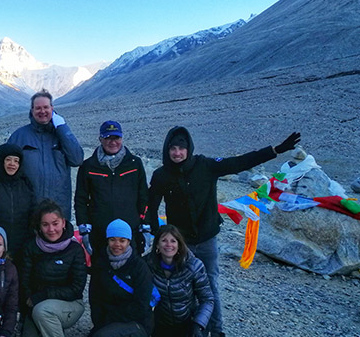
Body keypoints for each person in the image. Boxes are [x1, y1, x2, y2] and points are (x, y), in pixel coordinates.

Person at [147, 126, 301, 337]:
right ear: (167, 149)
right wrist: (157, 238)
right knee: (181, 288)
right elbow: (151, 206)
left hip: (207, 238)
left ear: (188, 148)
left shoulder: (206, 165)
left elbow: (238, 163)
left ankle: (217, 332)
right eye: (173, 148)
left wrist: (274, 150)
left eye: (181, 148)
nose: (177, 153)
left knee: (210, 287)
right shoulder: (161, 175)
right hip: (180, 243)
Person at [74, 120, 149, 258]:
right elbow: (81, 199)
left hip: (130, 231)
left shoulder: (134, 163)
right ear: (100, 139)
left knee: (132, 274)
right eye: (108, 138)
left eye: (116, 138)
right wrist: (84, 229)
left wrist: (145, 225)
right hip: (100, 232)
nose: (112, 142)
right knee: (101, 274)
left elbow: (144, 195)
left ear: (122, 138)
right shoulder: (88, 166)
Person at [7, 89, 83, 220]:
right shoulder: (19, 136)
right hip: (28, 210)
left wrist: (63, 128)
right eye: (38, 108)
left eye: (46, 107)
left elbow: (77, 159)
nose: (42, 111)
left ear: (52, 109)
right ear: (32, 110)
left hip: (58, 212)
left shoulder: (62, 135)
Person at [21, 200, 87, 337]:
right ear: (39, 226)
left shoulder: (75, 249)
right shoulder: (31, 247)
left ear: (63, 223)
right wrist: (28, 299)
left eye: (55, 223)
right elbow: (25, 280)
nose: (51, 230)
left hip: (69, 304)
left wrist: (43, 295)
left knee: (43, 312)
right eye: (45, 225)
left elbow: (76, 288)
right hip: (36, 304)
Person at [88, 219, 154, 337]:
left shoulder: (139, 267)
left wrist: (110, 319)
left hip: (136, 321)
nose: (117, 244)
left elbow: (141, 305)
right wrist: (99, 321)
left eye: (122, 240)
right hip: (106, 321)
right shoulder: (101, 263)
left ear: (129, 241)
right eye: (112, 239)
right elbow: (94, 297)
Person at [148, 224, 213, 337]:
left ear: (179, 245)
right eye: (164, 240)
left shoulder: (194, 266)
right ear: (157, 244)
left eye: (173, 241)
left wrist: (198, 324)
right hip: (160, 324)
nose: (169, 245)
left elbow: (207, 299)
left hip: (188, 323)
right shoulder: (147, 265)